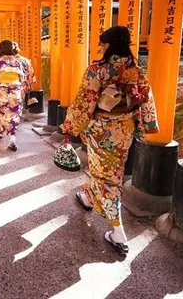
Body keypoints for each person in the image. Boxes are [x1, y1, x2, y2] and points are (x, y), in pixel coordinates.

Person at [61, 26, 158, 255]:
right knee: (109, 172)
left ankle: (118, 231)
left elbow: (85, 101)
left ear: (107, 45)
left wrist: (70, 126)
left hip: (101, 131)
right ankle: (87, 196)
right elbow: (146, 99)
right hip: (124, 130)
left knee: (107, 178)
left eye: (102, 44)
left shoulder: (98, 70)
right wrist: (147, 126)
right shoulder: (136, 71)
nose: (101, 48)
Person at [0, 40, 32, 152]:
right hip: (15, 91)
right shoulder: (18, 63)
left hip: (2, 91)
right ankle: (13, 139)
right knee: (14, 114)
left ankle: (1, 132)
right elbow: (22, 78)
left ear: (2, 49)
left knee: (1, 112)